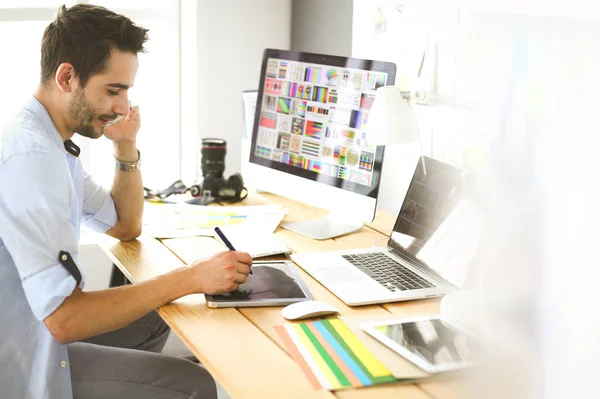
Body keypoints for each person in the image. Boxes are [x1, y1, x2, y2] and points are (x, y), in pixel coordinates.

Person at [0, 4, 252, 399]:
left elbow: (123, 224)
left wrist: (126, 144)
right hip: (25, 359)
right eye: (113, 90)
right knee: (194, 384)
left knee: (155, 317)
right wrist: (190, 278)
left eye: (127, 91)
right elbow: (65, 319)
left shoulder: (50, 137)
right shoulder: (32, 158)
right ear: (67, 76)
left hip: (40, 332)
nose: (123, 107)